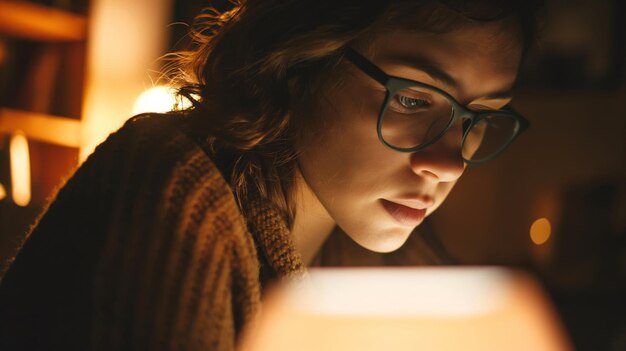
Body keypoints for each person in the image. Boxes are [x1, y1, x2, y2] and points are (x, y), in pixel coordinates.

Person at [0, 0, 539, 349]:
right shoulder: (173, 191)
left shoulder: (379, 262)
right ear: (299, 62)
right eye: (412, 98)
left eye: (481, 118)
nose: (448, 164)